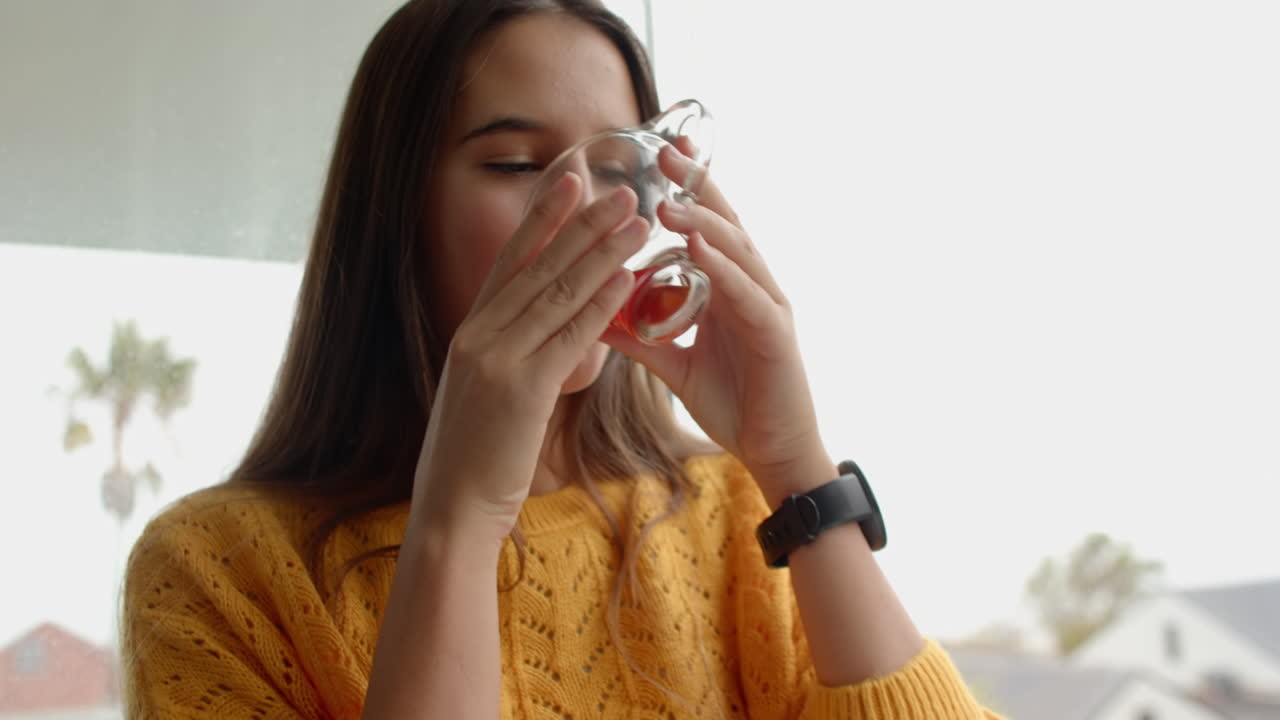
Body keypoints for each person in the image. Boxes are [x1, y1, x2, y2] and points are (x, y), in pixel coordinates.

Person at [120, 1, 1000, 718]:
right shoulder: (216, 572)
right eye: (517, 163)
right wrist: (459, 522)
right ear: (396, 218)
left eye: (625, 173)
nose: (594, 218)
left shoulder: (737, 516)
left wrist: (794, 466)